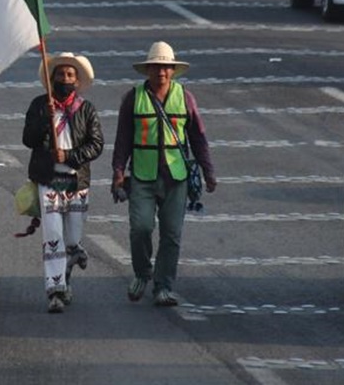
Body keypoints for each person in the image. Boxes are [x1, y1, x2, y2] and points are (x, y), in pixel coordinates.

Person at [110, 41, 217, 307]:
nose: (161, 72)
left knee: (171, 234)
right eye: (157, 67)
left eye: (166, 67)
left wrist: (208, 171)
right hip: (142, 176)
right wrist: (118, 173)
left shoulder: (186, 98)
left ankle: (164, 286)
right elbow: (123, 138)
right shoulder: (133, 98)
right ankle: (142, 274)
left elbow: (198, 138)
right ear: (148, 70)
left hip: (176, 177)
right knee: (141, 228)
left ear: (173, 70)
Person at [21, 52, 104, 313]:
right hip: (49, 179)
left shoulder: (86, 109)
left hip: (76, 182)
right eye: (60, 74)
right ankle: (55, 290)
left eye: (70, 75)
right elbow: (28, 139)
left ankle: (68, 270)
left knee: (72, 238)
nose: (64, 79)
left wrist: (70, 156)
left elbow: (97, 144)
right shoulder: (39, 104)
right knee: (53, 236)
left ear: (77, 81)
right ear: (52, 78)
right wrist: (45, 119)